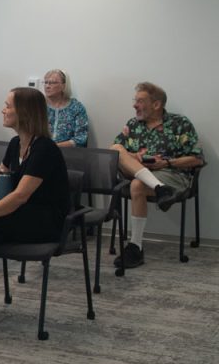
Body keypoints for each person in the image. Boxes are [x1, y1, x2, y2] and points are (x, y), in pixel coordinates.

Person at [110, 81, 204, 268]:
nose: (134, 105)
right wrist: (133, 156)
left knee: (137, 185)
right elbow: (115, 154)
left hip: (173, 174)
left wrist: (167, 162)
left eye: (140, 101)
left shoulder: (180, 124)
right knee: (116, 148)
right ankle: (160, 189)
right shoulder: (133, 125)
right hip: (140, 173)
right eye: (134, 100)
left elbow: (197, 159)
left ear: (156, 104)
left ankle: (135, 247)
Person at [43, 69, 89, 147]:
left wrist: (54, 147)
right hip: (41, 152)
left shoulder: (76, 107)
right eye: (46, 82)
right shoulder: (39, 106)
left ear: (63, 86)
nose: (47, 86)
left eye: (52, 83)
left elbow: (81, 138)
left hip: (68, 154)